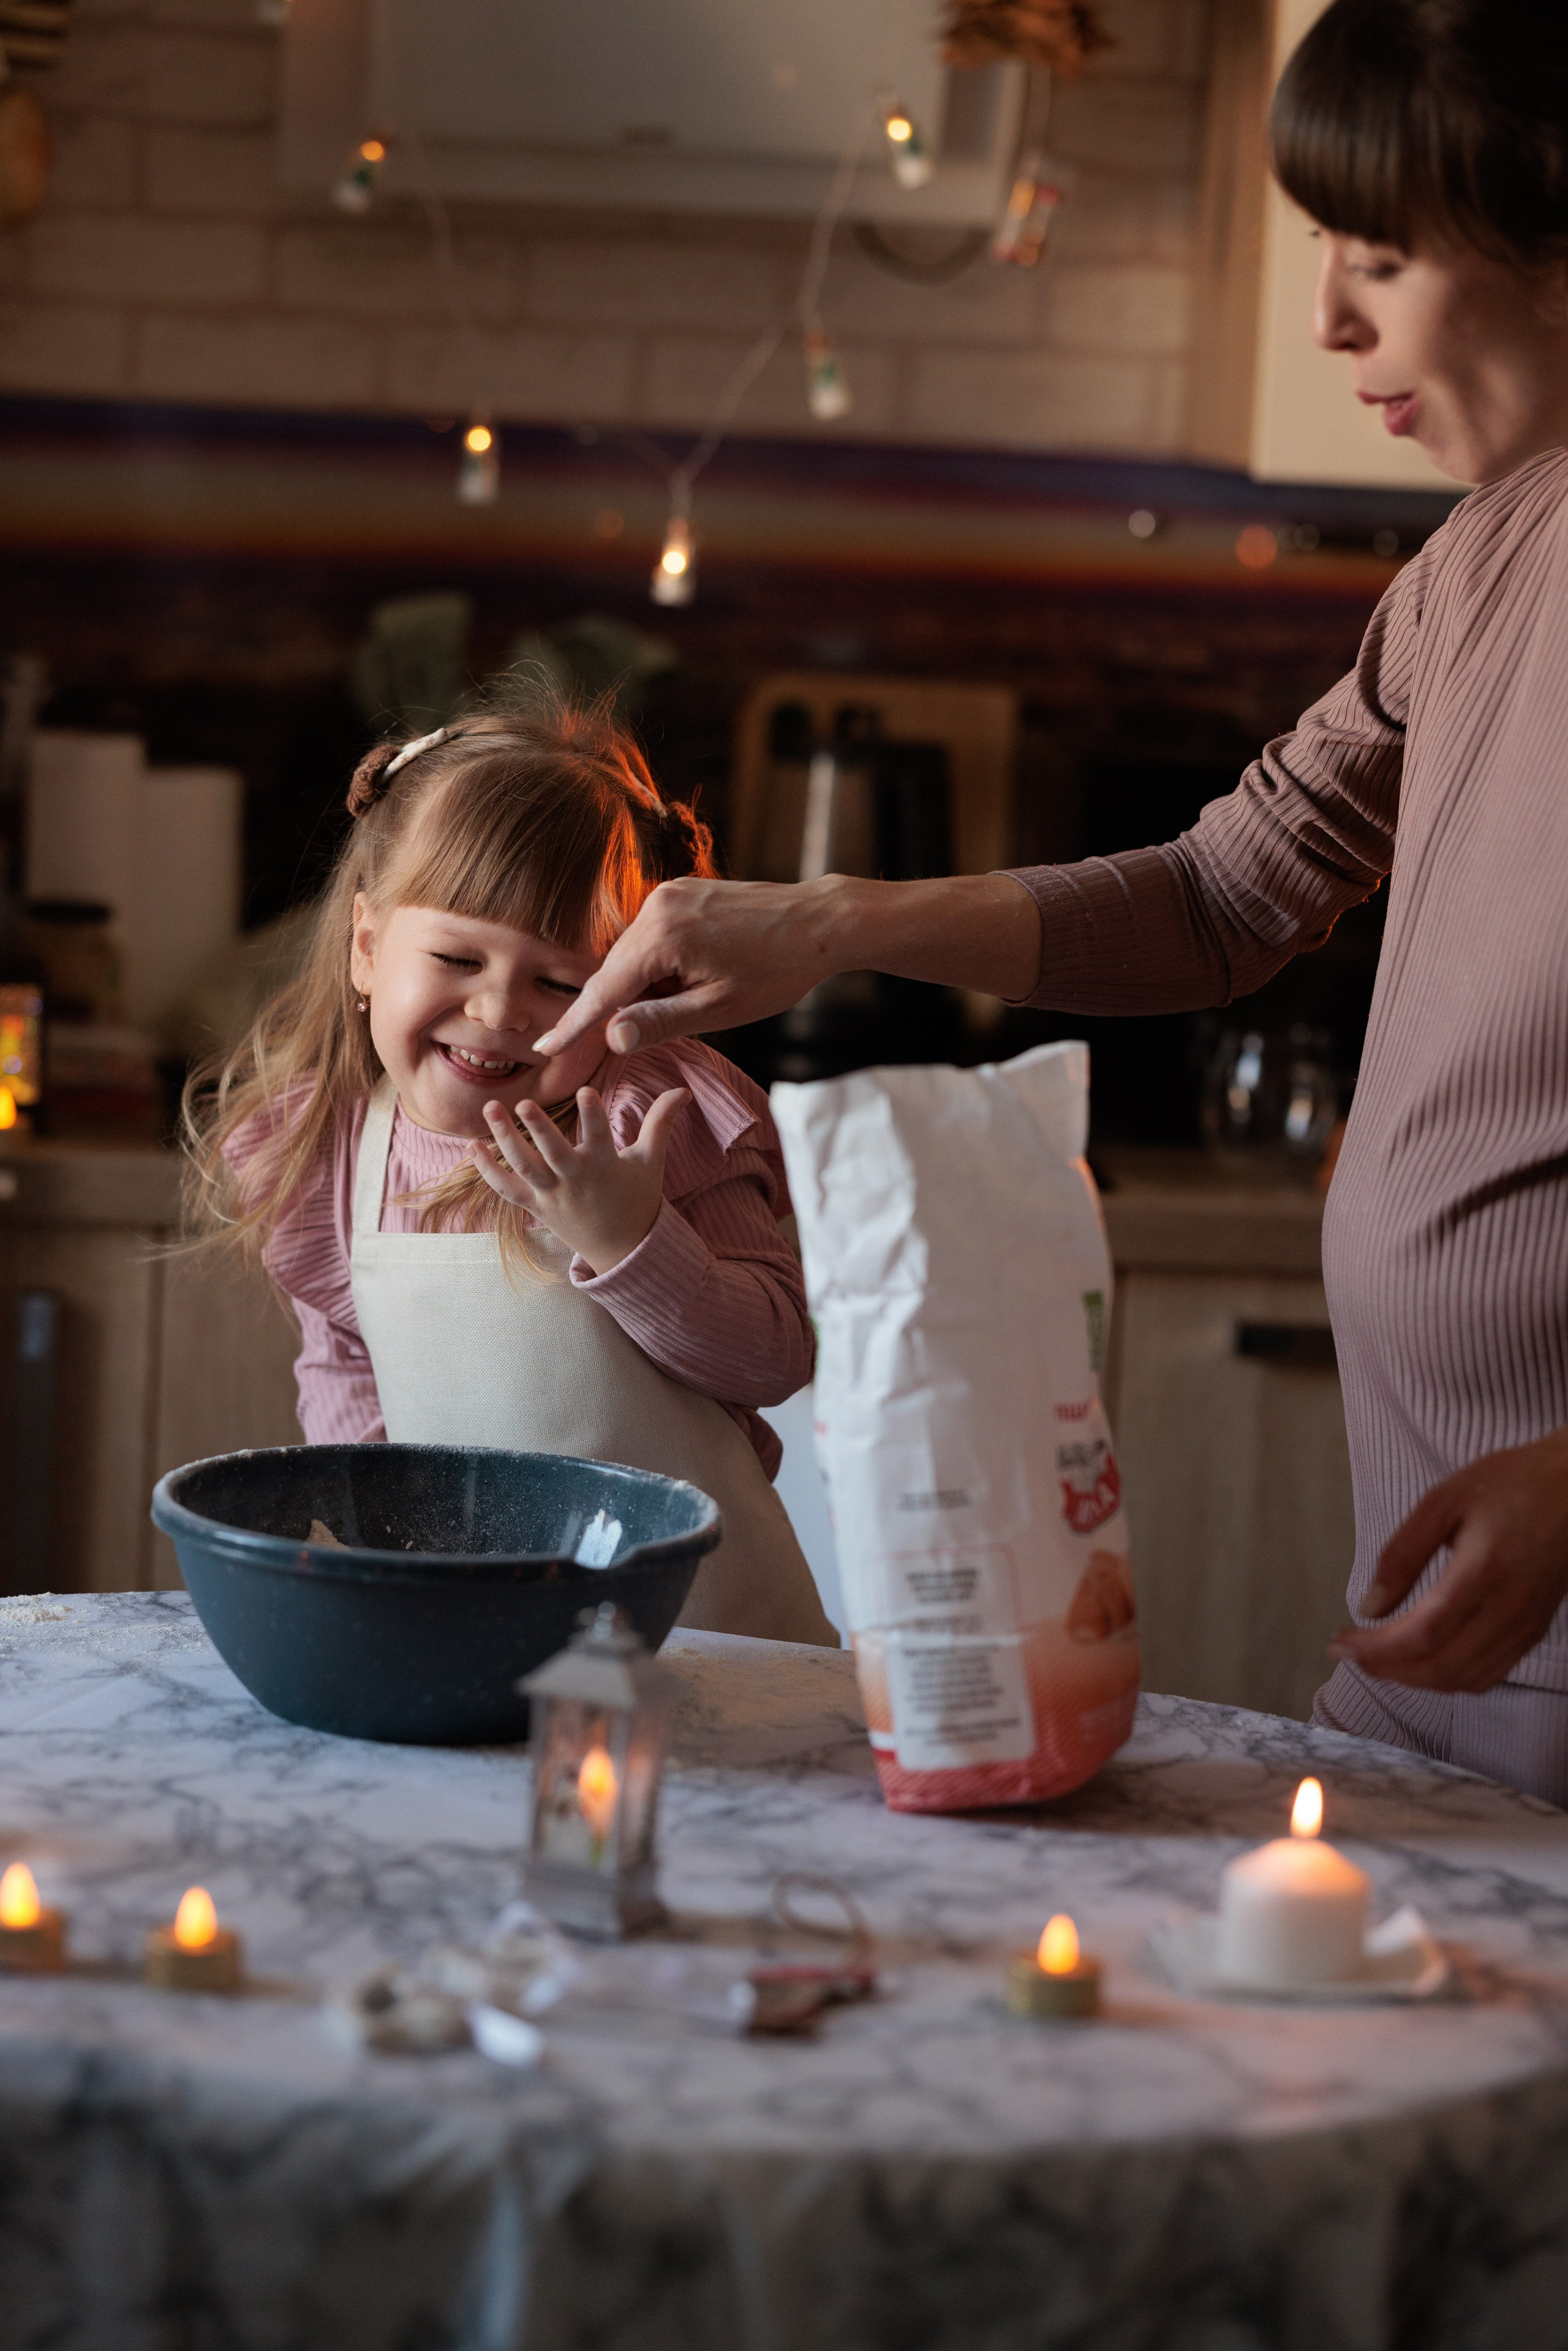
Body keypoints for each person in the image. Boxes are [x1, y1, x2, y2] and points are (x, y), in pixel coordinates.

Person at [532, 0, 1568, 1799]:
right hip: (1445, 1648)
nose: (1327, 318)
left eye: (1381, 260)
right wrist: (830, 918)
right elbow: (1225, 893)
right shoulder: (1480, 562)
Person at [185, 698, 837, 1649]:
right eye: (457, 955)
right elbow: (348, 1373)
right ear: (368, 946)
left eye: (560, 981)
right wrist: (386, 1562)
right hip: (474, 1638)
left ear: (625, 985)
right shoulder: (330, 1156)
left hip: (709, 1650)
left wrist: (632, 1243)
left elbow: (777, 1357)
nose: (499, 1009)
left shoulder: (650, 1117)